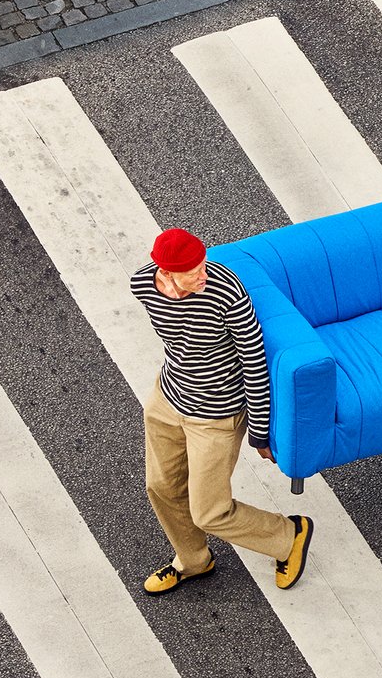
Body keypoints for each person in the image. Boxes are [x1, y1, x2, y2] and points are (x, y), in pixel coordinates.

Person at [132, 227, 314, 594]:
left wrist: (259, 432)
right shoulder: (142, 286)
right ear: (165, 273)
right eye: (193, 272)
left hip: (216, 414)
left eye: (203, 264)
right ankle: (193, 561)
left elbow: (255, 362)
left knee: (210, 511)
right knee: (161, 486)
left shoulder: (227, 291)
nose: (204, 273)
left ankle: (287, 534)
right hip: (168, 397)